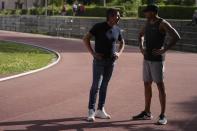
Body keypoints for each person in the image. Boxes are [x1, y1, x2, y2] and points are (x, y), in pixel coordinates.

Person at [132, 5, 180, 125]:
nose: (145, 14)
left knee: (160, 86)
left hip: (158, 60)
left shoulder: (162, 23)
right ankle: (147, 112)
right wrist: (141, 47)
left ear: (153, 12)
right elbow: (140, 35)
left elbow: (176, 36)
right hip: (147, 59)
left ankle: (163, 115)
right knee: (146, 84)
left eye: (147, 12)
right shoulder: (147, 23)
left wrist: (165, 49)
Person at [83, 8, 125, 122]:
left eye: (119, 16)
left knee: (104, 86)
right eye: (117, 15)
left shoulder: (117, 29)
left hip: (111, 62)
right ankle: (91, 111)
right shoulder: (98, 27)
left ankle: (100, 109)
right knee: (96, 86)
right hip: (99, 62)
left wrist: (119, 53)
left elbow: (122, 42)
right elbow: (86, 39)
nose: (119, 17)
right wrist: (93, 53)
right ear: (110, 16)